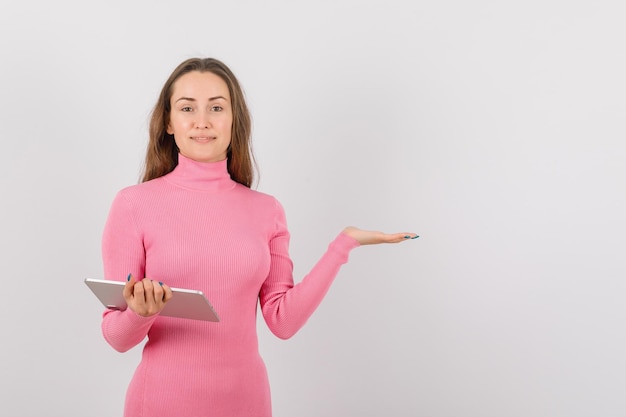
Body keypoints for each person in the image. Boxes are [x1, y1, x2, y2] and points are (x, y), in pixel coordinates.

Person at [100, 57, 418, 417]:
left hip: (246, 402)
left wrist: (343, 245)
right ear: (169, 122)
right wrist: (139, 315)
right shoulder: (133, 204)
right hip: (161, 403)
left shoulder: (267, 211)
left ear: (235, 120)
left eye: (216, 107)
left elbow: (282, 321)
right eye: (187, 107)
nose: (202, 121)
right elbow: (116, 337)